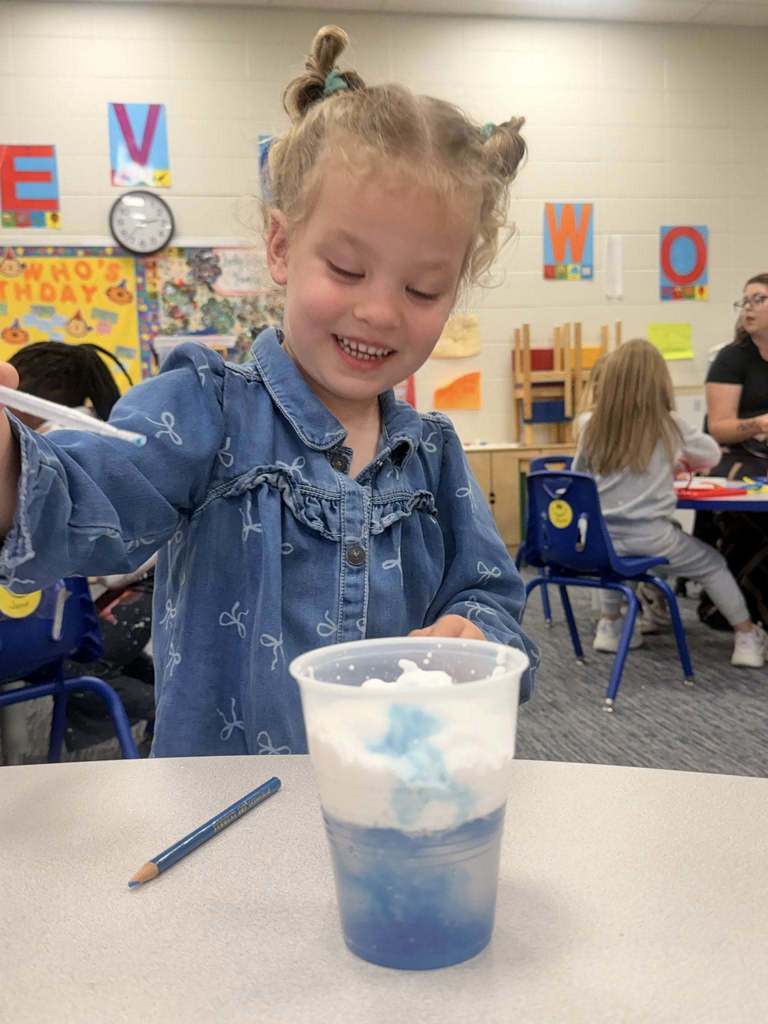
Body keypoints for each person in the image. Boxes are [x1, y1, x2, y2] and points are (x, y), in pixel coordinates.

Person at [0, 26, 539, 757]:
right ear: (282, 247)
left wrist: (474, 631)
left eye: (423, 288)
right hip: (221, 808)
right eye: (347, 270)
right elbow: (81, 501)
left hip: (390, 795)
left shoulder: (433, 454)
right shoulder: (208, 407)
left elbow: (492, 596)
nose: (380, 311)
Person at [574, 339, 765, 667]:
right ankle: (746, 636)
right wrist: (675, 458)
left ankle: (610, 625)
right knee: (713, 564)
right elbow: (711, 454)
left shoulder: (591, 425)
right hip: (653, 538)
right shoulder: (670, 423)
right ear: (659, 380)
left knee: (615, 562)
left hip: (601, 539)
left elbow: (579, 477)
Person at [5, 341, 156, 755]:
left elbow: (120, 558)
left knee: (77, 661)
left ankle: (163, 714)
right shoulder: (70, 435)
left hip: (139, 587)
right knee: (95, 655)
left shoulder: (62, 441)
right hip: (122, 589)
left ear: (27, 397)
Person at [699, 273, 768, 630]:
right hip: (739, 455)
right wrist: (758, 424)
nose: (748, 308)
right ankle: (745, 610)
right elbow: (718, 427)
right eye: (745, 301)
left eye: (758, 299)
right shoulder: (733, 358)